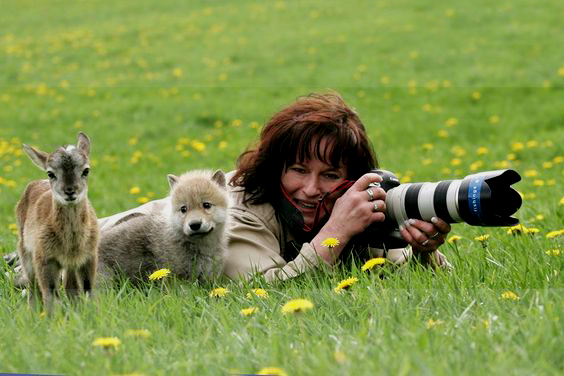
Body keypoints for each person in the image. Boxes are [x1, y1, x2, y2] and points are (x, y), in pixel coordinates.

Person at [6, 92, 451, 282]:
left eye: (331, 175)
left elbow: (397, 269)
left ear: (350, 180)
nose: (312, 188)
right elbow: (259, 286)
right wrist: (335, 232)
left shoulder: (349, 209)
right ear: (275, 166)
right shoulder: (240, 209)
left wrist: (426, 252)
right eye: (298, 169)